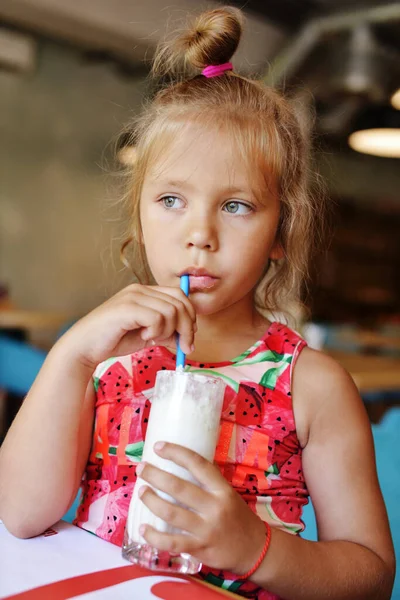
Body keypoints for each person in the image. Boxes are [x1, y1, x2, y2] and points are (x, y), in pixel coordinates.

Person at [0, 7, 395, 600]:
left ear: (281, 233)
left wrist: (253, 548)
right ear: (139, 216)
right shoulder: (105, 359)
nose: (200, 234)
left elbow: (369, 576)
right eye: (170, 199)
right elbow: (22, 514)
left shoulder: (312, 386)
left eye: (236, 206)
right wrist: (72, 357)